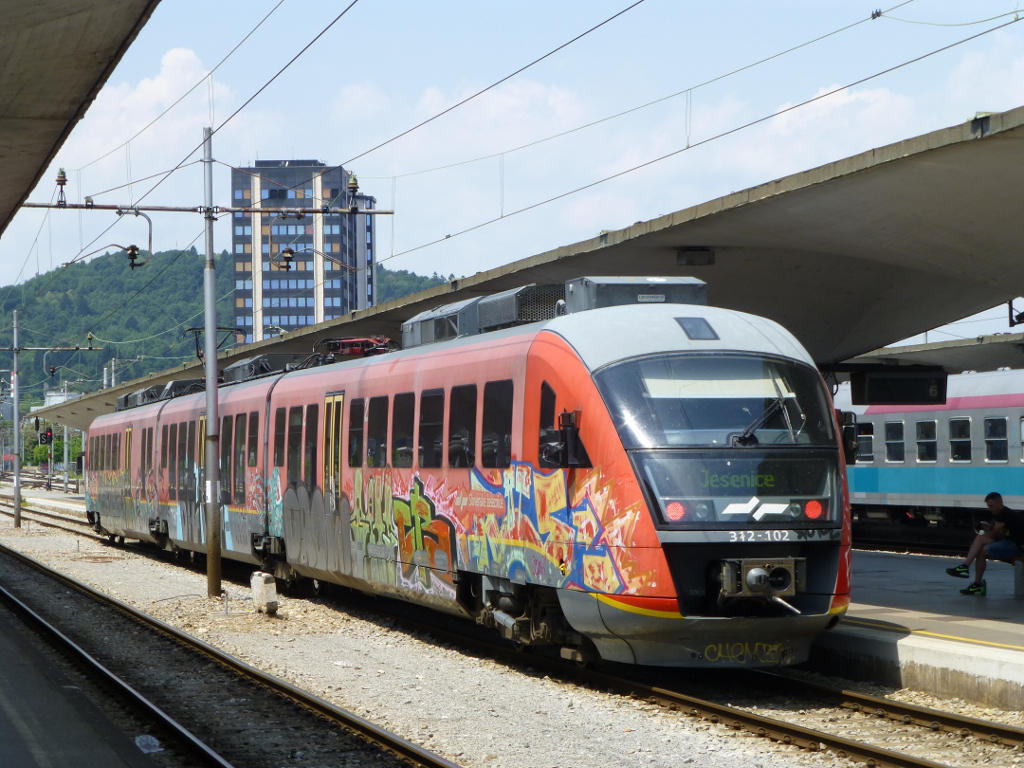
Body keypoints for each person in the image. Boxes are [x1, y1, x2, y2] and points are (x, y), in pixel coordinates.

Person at [945, 492, 1024, 595]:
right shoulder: (1002, 514)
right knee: (980, 544)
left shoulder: (1005, 514)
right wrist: (990, 528)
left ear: (999, 503)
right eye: (988, 506)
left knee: (981, 546)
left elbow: (992, 535)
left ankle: (968, 572)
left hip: (1017, 547)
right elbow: (1002, 534)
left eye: (991, 506)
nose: (990, 509)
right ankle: (970, 576)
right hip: (1010, 543)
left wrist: (990, 530)